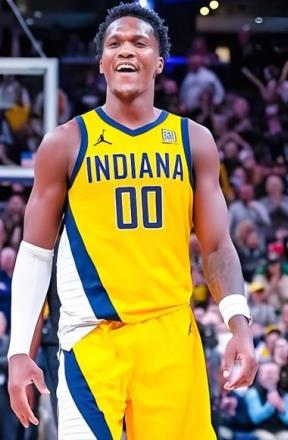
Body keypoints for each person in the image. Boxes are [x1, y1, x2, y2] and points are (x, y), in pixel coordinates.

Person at [7, 4, 257, 439]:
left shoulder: (193, 141)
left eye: (140, 42)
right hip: (92, 338)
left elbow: (217, 247)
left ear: (158, 62)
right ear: (102, 62)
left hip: (170, 337)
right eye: (115, 43)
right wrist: (18, 352)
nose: (126, 50)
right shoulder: (66, 142)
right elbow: (34, 254)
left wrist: (239, 324)